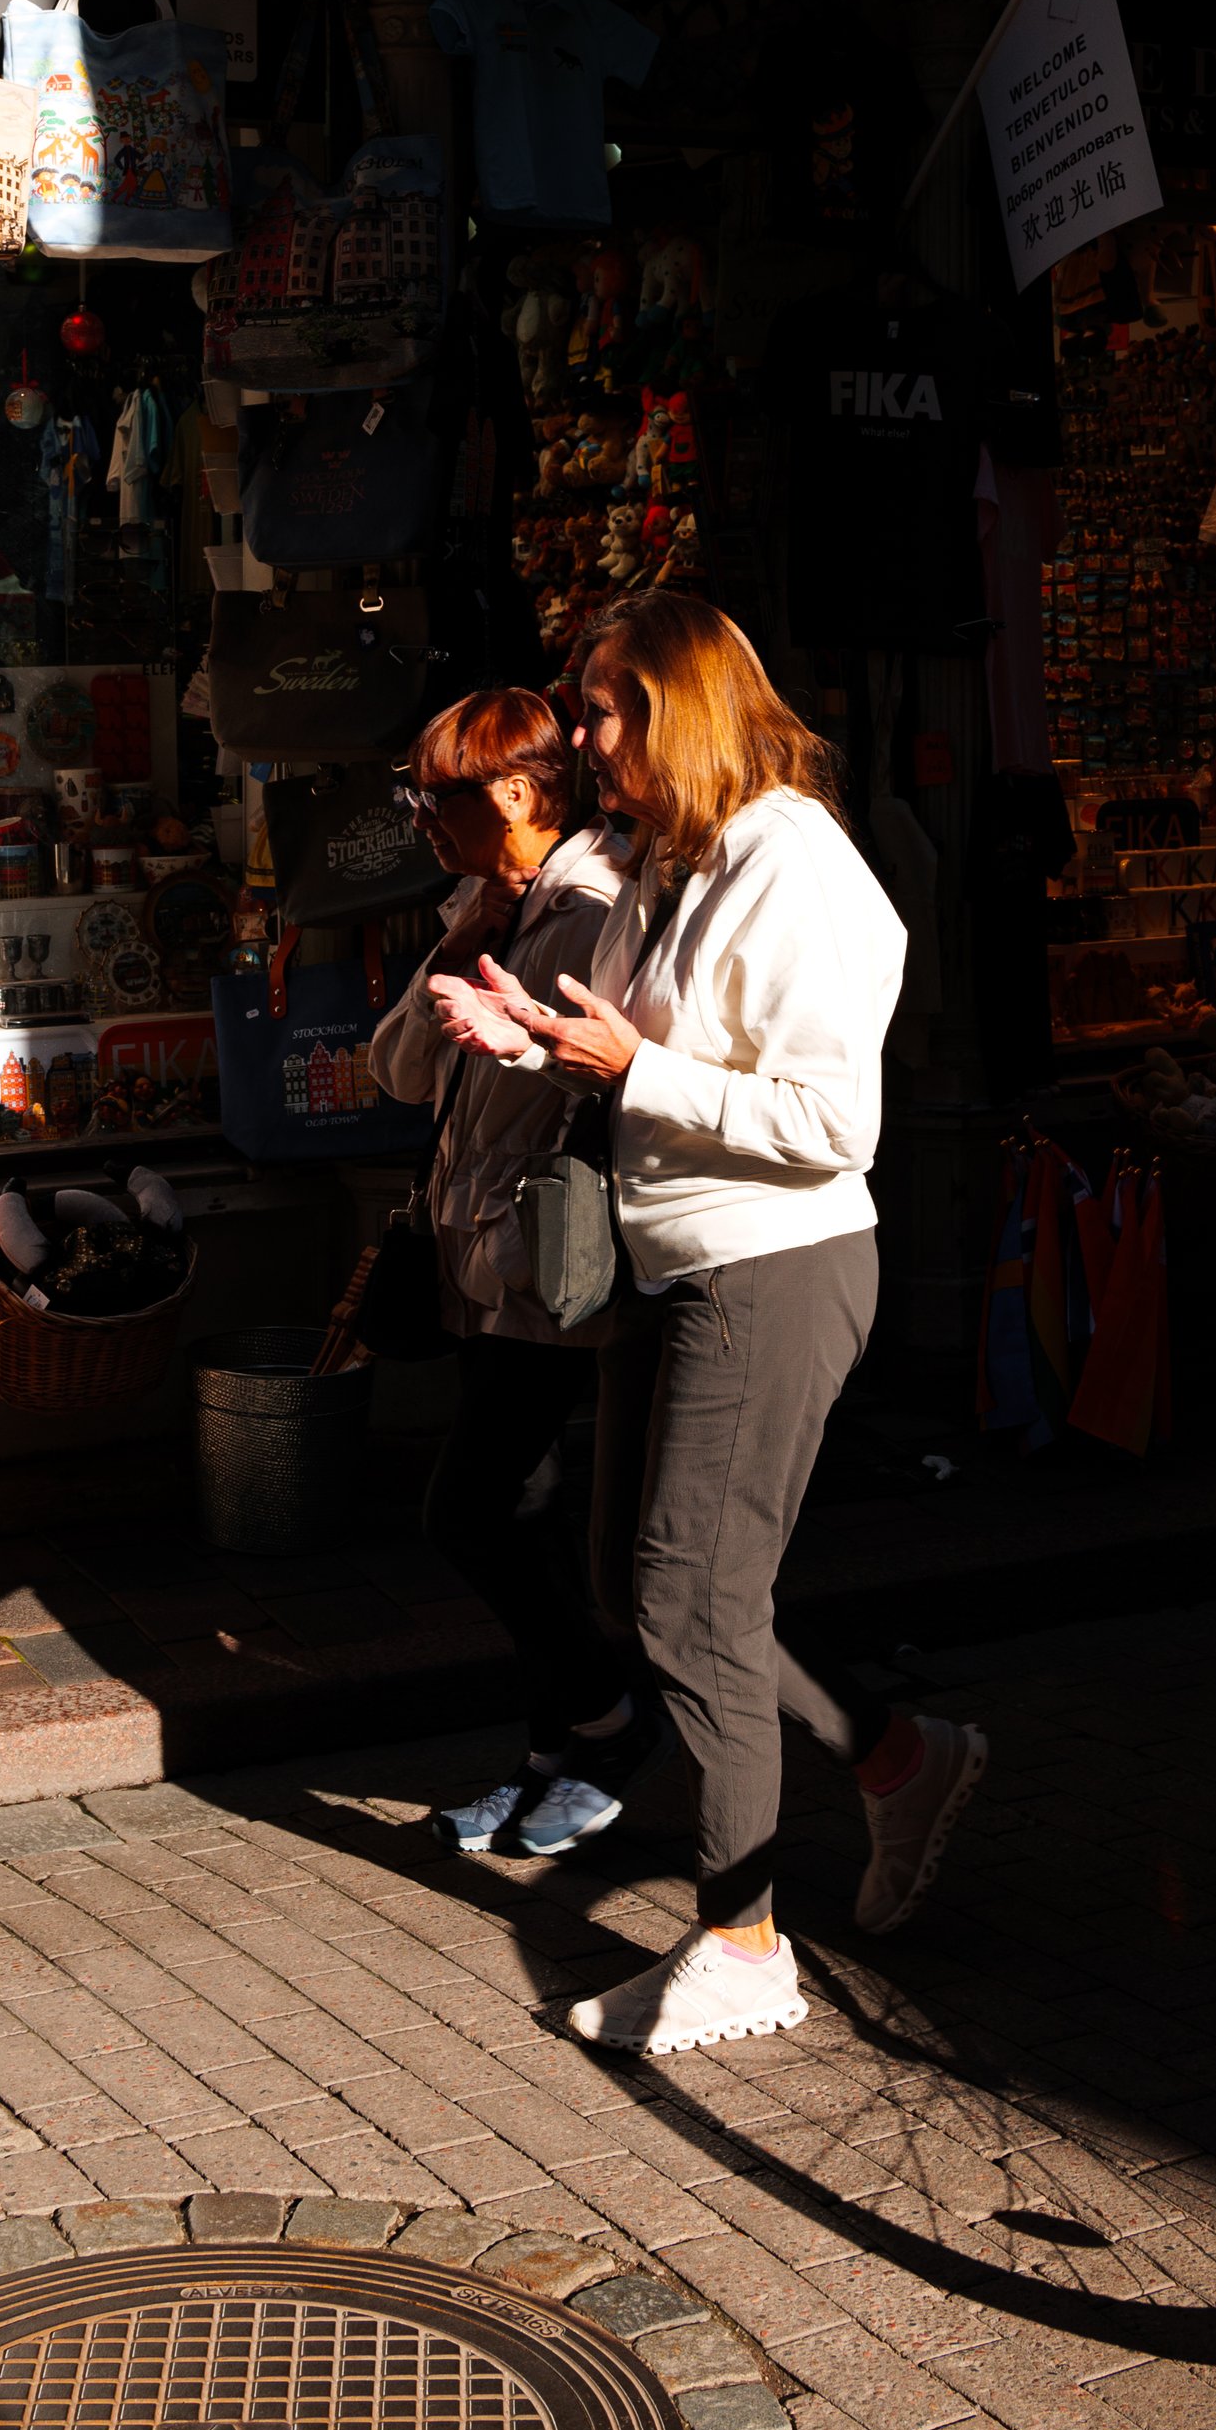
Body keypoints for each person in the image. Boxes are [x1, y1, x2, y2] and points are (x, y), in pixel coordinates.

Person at [433, 594, 987, 2056]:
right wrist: (539, 1040)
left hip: (772, 1265)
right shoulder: (683, 860)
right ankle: (896, 1754)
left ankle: (741, 1936)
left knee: (683, 1601)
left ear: (679, 706)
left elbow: (830, 1124)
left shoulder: (799, 864)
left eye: (605, 709)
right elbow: (644, 1060)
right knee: (648, 1586)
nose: (585, 738)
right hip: (674, 1266)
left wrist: (632, 1065)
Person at [370, 686, 660, 1856]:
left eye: (433, 800)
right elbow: (396, 1072)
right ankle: (554, 1754)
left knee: (476, 1509)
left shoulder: (596, 910)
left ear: (519, 795)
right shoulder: (492, 900)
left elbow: (615, 1075)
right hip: (477, 1248)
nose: (419, 822)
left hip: (550, 1256)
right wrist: (458, 937)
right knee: (521, 1511)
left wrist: (529, 1034)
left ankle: (607, 1720)